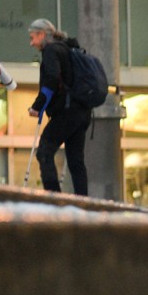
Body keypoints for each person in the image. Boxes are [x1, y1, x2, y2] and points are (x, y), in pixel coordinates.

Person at [27, 18, 91, 195]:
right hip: (83, 111)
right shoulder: (69, 48)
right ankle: (83, 202)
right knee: (76, 160)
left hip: (67, 112)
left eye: (33, 37)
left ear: (42, 34)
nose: (31, 43)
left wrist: (37, 106)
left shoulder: (51, 50)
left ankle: (53, 198)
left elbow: (52, 79)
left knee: (45, 150)